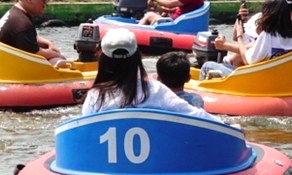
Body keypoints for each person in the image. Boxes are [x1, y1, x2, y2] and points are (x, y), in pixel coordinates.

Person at [81, 30, 217, 119]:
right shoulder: (156, 90)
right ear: (137, 59)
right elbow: (196, 115)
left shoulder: (95, 96)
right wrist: (230, 126)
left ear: (103, 61)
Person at [0, 0, 71, 66]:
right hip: (11, 70)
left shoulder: (15, 14)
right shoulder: (21, 23)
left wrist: (48, 43)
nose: (46, 2)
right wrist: (57, 54)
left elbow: (25, 37)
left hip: (4, 64)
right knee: (60, 61)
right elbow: (35, 53)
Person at [216, 0, 292, 67]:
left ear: (269, 16)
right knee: (236, 58)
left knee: (207, 66)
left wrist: (239, 36)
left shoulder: (267, 36)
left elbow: (248, 60)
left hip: (259, 81)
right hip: (281, 80)